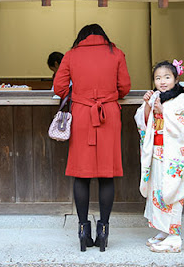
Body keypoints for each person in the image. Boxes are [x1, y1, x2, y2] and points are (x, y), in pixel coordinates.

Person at [53, 24, 131, 252]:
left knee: (81, 173)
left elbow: (59, 87)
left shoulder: (71, 55)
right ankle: (104, 231)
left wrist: (79, 96)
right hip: (108, 115)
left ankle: (83, 231)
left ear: (81, 38)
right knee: (107, 174)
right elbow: (125, 87)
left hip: (81, 115)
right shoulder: (116, 53)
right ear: (103, 36)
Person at [134, 60, 184, 253]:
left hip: (173, 154)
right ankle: (164, 231)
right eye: (158, 78)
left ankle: (174, 237)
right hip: (156, 152)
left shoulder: (181, 99)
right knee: (157, 190)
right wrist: (148, 106)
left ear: (175, 79)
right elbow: (142, 120)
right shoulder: (156, 96)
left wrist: (162, 112)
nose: (162, 81)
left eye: (167, 77)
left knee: (172, 191)